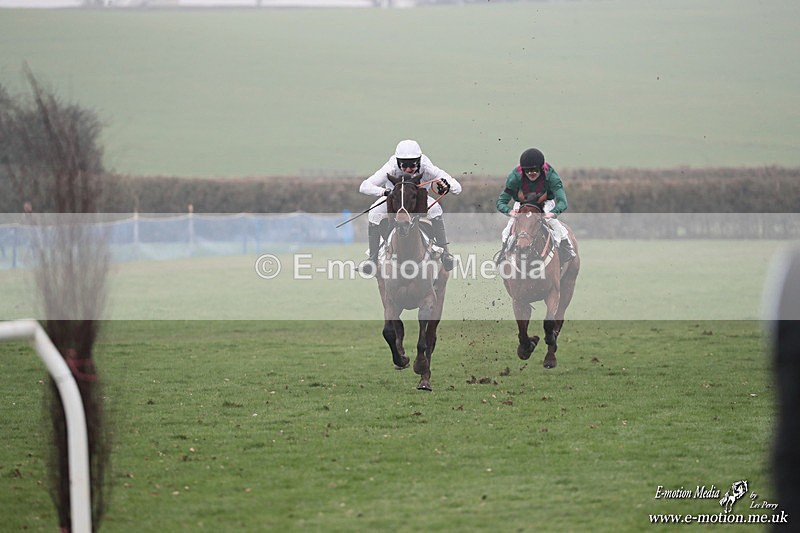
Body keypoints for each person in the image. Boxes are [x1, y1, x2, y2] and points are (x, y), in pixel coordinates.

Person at [358, 139, 461, 275]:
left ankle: (445, 255)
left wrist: (447, 185)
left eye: (412, 165)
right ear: (397, 162)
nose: (408, 169)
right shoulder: (390, 167)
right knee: (373, 213)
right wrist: (384, 192)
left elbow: (457, 188)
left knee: (436, 210)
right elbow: (364, 186)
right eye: (404, 165)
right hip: (395, 200)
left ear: (419, 161)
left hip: (417, 200)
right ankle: (372, 260)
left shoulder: (427, 166)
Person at [494, 147, 576, 264]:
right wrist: (510, 212)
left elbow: (563, 202)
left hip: (545, 202)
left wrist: (552, 213)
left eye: (535, 170)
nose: (531, 174)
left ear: (541, 168)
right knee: (507, 231)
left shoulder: (551, 177)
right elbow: (501, 202)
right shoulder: (514, 178)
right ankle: (504, 253)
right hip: (523, 204)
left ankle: (567, 249)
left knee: (556, 226)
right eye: (527, 171)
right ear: (523, 170)